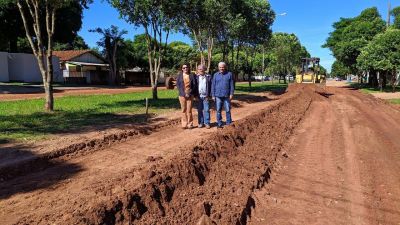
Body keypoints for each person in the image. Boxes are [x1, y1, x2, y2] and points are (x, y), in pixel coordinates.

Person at [211, 62, 234, 128]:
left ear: (225, 67)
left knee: (227, 110)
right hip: (218, 95)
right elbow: (213, 85)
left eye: (223, 67)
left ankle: (228, 123)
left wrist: (231, 93)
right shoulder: (215, 75)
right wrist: (213, 95)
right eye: (220, 67)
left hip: (226, 95)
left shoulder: (229, 74)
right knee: (218, 110)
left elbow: (232, 85)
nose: (222, 68)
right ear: (218, 68)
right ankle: (219, 123)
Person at [176, 64, 197, 129]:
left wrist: (190, 93)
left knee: (189, 110)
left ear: (188, 68)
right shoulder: (179, 76)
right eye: (183, 68)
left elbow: (194, 85)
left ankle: (190, 124)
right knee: (183, 110)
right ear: (182, 69)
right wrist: (184, 93)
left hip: (190, 95)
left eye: (186, 67)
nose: (185, 69)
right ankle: (184, 124)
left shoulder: (192, 75)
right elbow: (178, 86)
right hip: (182, 95)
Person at [194, 65, 212, 129]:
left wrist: (209, 95)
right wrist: (195, 96)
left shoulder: (209, 77)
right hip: (199, 96)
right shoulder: (196, 77)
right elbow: (194, 87)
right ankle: (200, 123)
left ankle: (207, 123)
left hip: (206, 96)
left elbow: (211, 87)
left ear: (205, 69)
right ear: (197, 70)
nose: (201, 70)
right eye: (199, 69)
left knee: (206, 110)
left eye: (202, 69)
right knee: (199, 110)